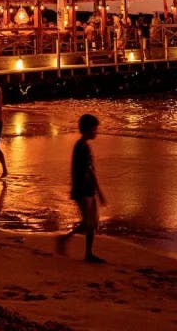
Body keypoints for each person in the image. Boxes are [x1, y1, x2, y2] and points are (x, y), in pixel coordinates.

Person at [57, 113, 107, 263]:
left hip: (86, 189)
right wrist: (98, 191)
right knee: (89, 222)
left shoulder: (82, 146)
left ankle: (88, 253)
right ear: (88, 129)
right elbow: (87, 171)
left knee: (92, 223)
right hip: (83, 190)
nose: (96, 132)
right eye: (94, 129)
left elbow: (88, 170)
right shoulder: (82, 147)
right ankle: (66, 239)